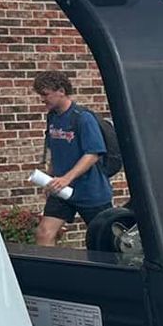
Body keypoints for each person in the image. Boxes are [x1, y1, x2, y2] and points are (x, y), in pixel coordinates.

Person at [32, 69, 113, 245]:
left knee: (103, 242)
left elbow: (93, 154)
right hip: (61, 189)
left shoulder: (83, 118)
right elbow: (55, 151)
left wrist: (66, 178)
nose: (42, 99)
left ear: (61, 91)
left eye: (45, 94)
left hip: (91, 191)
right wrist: (50, 179)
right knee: (44, 233)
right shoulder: (53, 117)